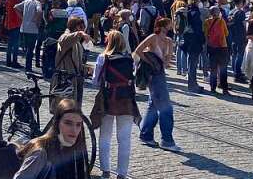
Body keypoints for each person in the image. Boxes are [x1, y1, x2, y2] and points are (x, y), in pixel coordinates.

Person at [91, 32, 139, 179]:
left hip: (108, 101)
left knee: (105, 136)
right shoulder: (131, 59)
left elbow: (95, 81)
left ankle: (105, 170)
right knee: (124, 139)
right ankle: (122, 174)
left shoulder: (102, 58)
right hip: (126, 101)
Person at [12, 98, 90, 179]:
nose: (74, 130)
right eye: (68, 123)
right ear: (57, 123)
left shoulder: (72, 148)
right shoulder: (41, 153)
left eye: (78, 124)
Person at [134, 16, 179, 152]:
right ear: (163, 26)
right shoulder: (153, 37)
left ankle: (145, 134)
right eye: (169, 24)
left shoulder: (169, 41)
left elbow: (167, 61)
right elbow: (138, 50)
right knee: (166, 108)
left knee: (153, 105)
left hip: (161, 74)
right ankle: (167, 140)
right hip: (153, 76)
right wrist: (149, 61)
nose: (171, 26)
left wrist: (168, 52)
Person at [53, 16, 90, 106]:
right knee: (64, 109)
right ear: (75, 27)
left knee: (73, 109)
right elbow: (65, 39)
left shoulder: (76, 42)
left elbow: (77, 61)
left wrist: (86, 69)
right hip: (64, 79)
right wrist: (80, 33)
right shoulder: (65, 37)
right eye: (81, 27)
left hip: (74, 78)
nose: (83, 29)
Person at [179, 0, 204, 93]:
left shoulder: (188, 11)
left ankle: (193, 83)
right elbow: (198, 28)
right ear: (196, 2)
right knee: (193, 63)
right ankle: (192, 85)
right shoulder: (195, 13)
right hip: (194, 40)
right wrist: (202, 39)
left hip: (187, 39)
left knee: (191, 62)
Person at [203, 4, 230, 95]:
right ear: (217, 13)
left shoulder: (206, 22)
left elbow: (206, 34)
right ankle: (224, 88)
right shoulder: (221, 21)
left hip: (212, 47)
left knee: (213, 69)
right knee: (223, 69)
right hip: (222, 46)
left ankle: (213, 88)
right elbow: (226, 33)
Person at [15, 0, 43, 72]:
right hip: (32, 29)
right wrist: (37, 21)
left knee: (27, 49)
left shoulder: (26, 1)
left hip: (24, 28)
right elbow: (39, 11)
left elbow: (15, 7)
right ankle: (28, 67)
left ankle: (27, 66)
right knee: (30, 49)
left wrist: (22, 17)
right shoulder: (38, 3)